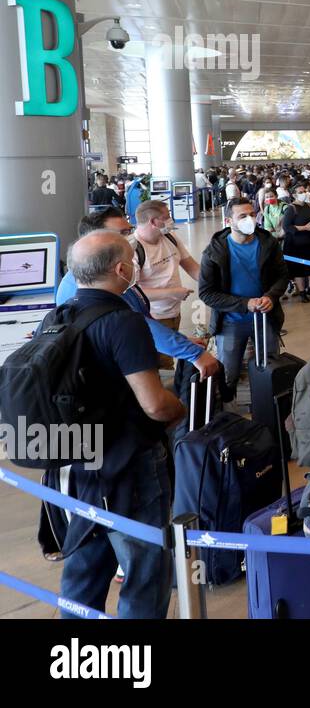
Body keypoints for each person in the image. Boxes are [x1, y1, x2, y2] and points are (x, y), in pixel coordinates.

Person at [54, 230, 187, 618]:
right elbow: (156, 405)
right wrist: (179, 411)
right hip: (129, 465)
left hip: (79, 462)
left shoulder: (59, 315)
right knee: (145, 570)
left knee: (85, 565)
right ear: (121, 268)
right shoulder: (123, 321)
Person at [56, 208, 220, 379]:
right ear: (97, 241)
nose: (131, 238)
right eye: (123, 233)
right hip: (108, 378)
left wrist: (181, 340)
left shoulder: (113, 276)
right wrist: (192, 352)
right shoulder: (90, 283)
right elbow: (138, 323)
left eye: (130, 230)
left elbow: (141, 316)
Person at [198, 198, 289, 401]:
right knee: (228, 371)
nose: (250, 219)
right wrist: (244, 304)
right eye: (242, 216)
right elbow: (206, 293)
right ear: (229, 221)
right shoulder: (214, 252)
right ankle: (228, 407)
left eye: (252, 214)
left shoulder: (269, 243)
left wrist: (271, 296)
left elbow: (282, 276)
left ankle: (267, 407)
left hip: (266, 319)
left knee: (271, 367)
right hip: (231, 322)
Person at [129, 199, 202, 368]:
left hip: (174, 313)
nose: (171, 219)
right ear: (154, 222)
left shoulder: (169, 236)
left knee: (171, 360)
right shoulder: (133, 249)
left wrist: (214, 284)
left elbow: (190, 265)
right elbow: (133, 293)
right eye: (167, 216)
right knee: (161, 365)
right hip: (152, 318)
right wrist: (172, 292)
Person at [282, 184, 310, 302]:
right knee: (299, 269)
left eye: (305, 190)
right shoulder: (291, 208)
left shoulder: (308, 205)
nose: (305, 193)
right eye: (301, 192)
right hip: (297, 245)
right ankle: (302, 292)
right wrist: (304, 228)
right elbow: (286, 227)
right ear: (295, 195)